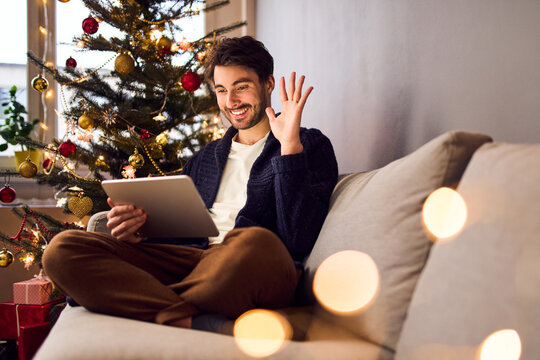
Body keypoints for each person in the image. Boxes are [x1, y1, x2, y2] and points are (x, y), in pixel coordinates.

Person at [43, 36, 338, 331]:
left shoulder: (307, 145)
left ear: (268, 84)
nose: (231, 102)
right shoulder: (205, 159)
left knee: (252, 241)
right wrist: (139, 235)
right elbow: (182, 239)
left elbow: (300, 240)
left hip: (252, 263)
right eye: (222, 90)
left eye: (242, 87)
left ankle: (128, 299)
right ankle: (194, 318)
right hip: (192, 264)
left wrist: (288, 149)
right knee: (61, 250)